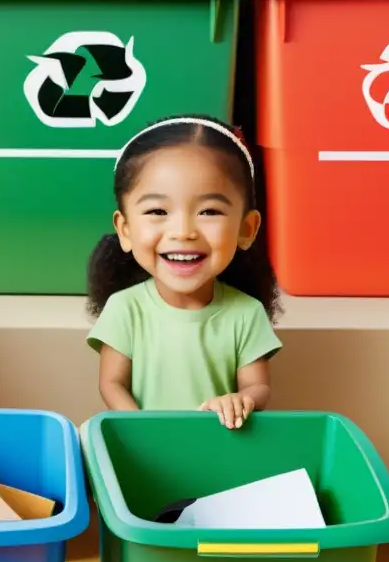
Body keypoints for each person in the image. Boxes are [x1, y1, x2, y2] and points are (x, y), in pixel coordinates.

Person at [85, 115, 282, 430]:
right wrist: (139, 427)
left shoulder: (247, 313)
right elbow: (111, 383)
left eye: (209, 212)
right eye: (157, 211)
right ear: (125, 229)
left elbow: (258, 387)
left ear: (247, 229)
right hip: (144, 448)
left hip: (217, 449)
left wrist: (240, 401)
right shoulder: (125, 307)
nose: (183, 232)